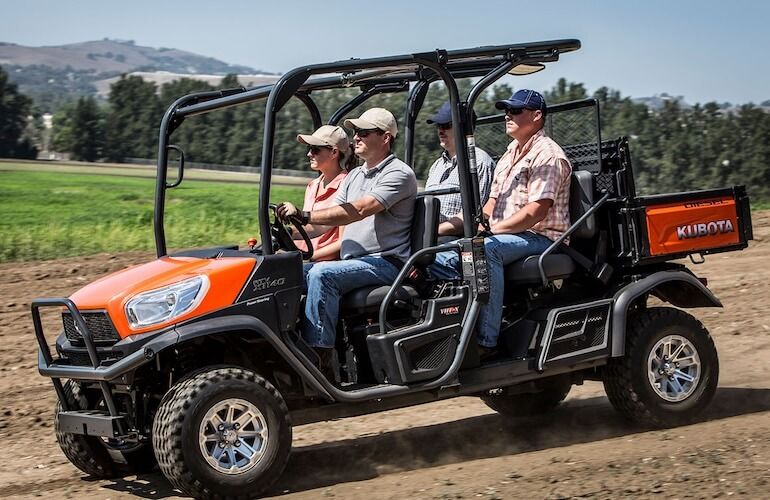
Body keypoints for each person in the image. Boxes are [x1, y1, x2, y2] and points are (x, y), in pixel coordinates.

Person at [431, 89, 572, 358]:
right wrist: (477, 225)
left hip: (541, 237)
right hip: (511, 235)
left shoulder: (548, 155)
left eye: (516, 111)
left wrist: (493, 231)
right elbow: (492, 202)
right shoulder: (509, 154)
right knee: (443, 254)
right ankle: (455, 330)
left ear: (537, 115)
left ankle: (486, 341)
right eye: (507, 110)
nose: (508, 115)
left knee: (485, 250)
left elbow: (536, 211)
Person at [276, 108, 417, 374]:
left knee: (321, 274)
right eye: (355, 132)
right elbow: (324, 223)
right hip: (355, 263)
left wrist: (305, 215)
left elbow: (362, 209)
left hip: (385, 262)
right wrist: (289, 232)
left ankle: (319, 362)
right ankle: (284, 349)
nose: (356, 138)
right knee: (287, 273)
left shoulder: (399, 174)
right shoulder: (355, 176)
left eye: (363, 132)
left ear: (385, 138)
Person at [423, 101, 496, 235]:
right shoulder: (436, 166)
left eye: (446, 125)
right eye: (439, 125)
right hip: (429, 237)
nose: (440, 130)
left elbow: (475, 216)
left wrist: (433, 232)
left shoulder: (479, 163)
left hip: (455, 240)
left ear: (463, 128)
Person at [293, 125, 356, 261]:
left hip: (323, 263)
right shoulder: (312, 186)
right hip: (303, 257)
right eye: (309, 149)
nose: (309, 154)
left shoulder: (348, 186)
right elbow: (307, 228)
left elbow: (343, 241)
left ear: (334, 153)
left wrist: (309, 258)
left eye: (315, 149)